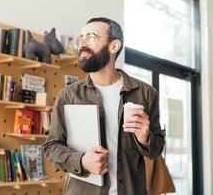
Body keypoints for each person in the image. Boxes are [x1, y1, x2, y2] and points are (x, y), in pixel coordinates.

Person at [44, 17, 165, 195]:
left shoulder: (146, 93)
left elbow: (156, 149)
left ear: (114, 46)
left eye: (91, 37)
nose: (82, 43)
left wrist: (146, 139)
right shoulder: (68, 95)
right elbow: (52, 147)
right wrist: (82, 161)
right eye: (81, 37)